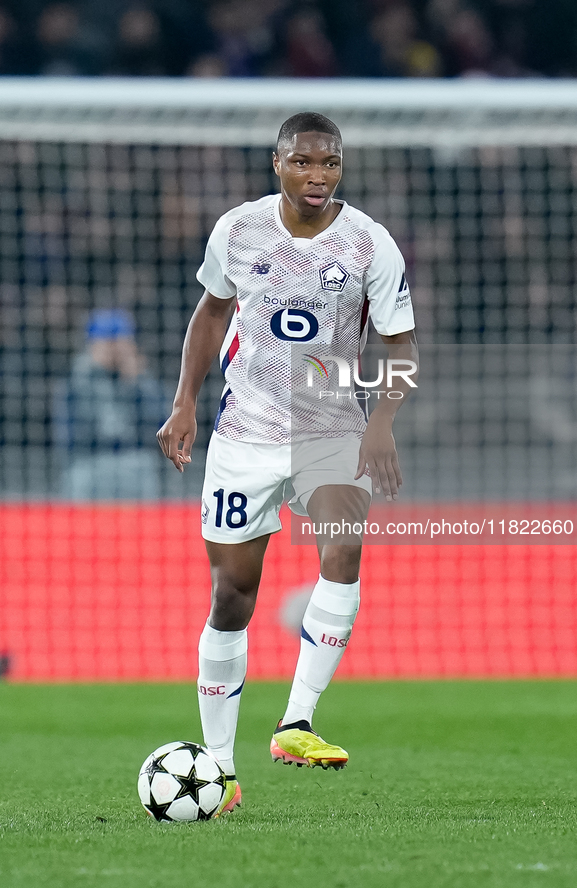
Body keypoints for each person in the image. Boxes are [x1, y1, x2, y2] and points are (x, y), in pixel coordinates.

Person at [157, 112, 418, 816]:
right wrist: (184, 402)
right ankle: (218, 767)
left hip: (330, 430)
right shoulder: (238, 230)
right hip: (243, 435)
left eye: (329, 163)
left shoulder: (368, 242)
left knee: (344, 544)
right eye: (304, 162)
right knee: (232, 596)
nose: (318, 175)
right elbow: (211, 313)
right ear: (278, 163)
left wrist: (384, 423)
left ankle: (295, 722)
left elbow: (400, 341)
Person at [55, 308, 169, 500]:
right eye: (107, 341)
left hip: (134, 461)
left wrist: (135, 383)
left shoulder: (141, 380)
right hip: (89, 462)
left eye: (119, 341)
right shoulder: (77, 380)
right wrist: (97, 375)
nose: (113, 348)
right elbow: (72, 435)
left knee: (142, 466)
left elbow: (160, 427)